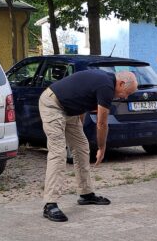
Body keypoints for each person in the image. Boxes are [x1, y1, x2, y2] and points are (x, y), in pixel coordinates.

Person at [39, 68, 137, 222]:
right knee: (58, 153)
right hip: (53, 104)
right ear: (122, 83)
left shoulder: (105, 82)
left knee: (82, 148)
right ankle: (50, 204)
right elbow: (102, 123)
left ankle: (86, 194)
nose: (125, 97)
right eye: (127, 93)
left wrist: (78, 128)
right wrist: (102, 147)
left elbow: (82, 100)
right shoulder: (106, 87)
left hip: (69, 109)